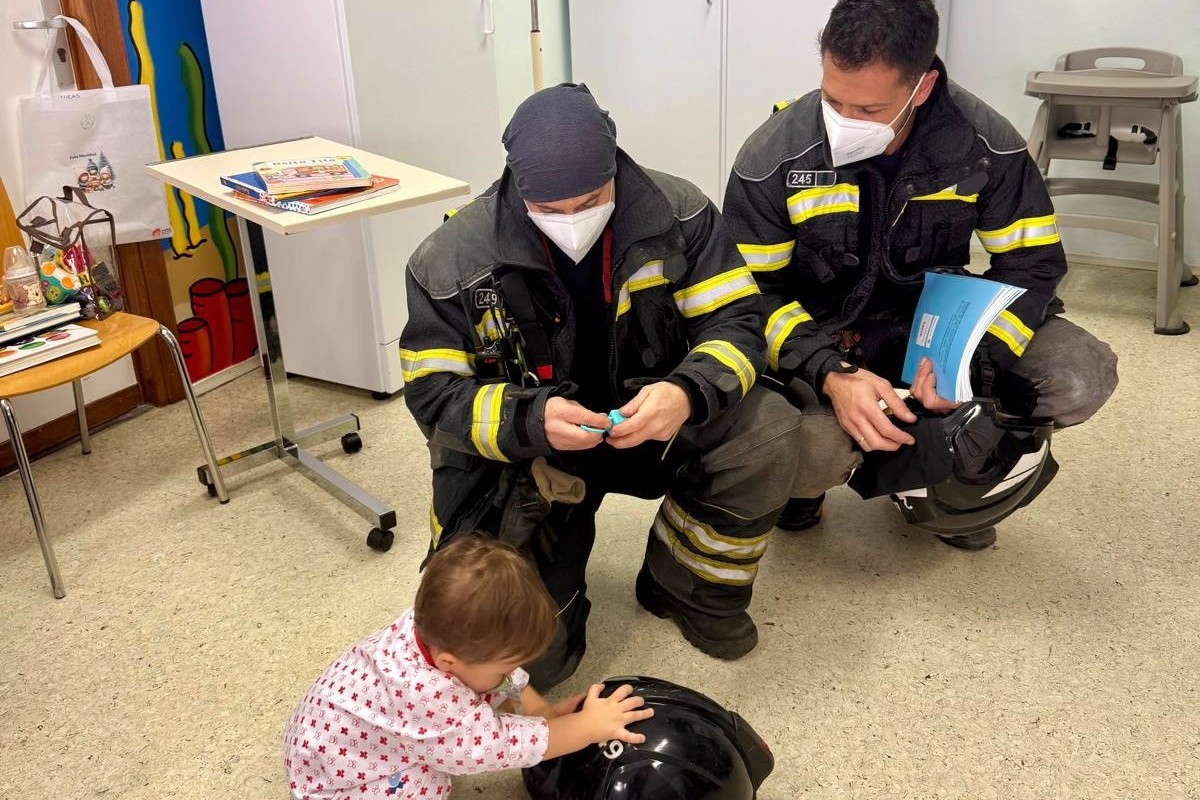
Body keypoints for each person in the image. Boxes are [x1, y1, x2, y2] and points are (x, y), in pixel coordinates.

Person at [399, 84, 829, 689]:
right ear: (514, 186)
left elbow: (739, 322)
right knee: (528, 660)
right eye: (548, 207)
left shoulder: (680, 214)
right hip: (536, 458)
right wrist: (527, 421)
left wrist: (686, 391)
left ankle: (686, 586)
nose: (572, 220)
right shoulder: (448, 260)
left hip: (659, 422)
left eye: (591, 199)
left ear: (616, 168)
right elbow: (432, 394)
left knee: (770, 427)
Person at [722, 0, 1118, 549]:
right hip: (822, 335)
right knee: (807, 447)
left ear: (922, 88)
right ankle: (808, 486)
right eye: (833, 99)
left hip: (934, 325)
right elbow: (749, 295)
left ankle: (949, 476)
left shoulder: (985, 143)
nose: (842, 123)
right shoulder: (774, 156)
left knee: (1079, 374)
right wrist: (830, 374)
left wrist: (968, 370)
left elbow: (1031, 263)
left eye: (867, 109)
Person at [281, 536, 653, 800]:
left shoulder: (437, 628)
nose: (513, 674)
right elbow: (499, 746)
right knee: (425, 788)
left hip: (326, 735)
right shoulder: (431, 700)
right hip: (337, 780)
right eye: (506, 666)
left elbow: (506, 682)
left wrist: (541, 712)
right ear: (448, 663)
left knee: (485, 686)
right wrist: (586, 728)